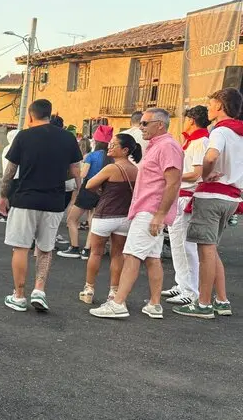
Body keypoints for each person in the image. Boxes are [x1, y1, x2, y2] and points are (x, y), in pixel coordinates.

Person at [90, 108, 182, 319]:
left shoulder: (167, 146)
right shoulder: (158, 146)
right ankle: (154, 304)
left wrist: (159, 214)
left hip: (150, 210)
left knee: (131, 255)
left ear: (160, 124)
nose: (140, 127)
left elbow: (173, 181)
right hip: (149, 210)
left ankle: (118, 303)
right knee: (151, 257)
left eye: (145, 123)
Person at [0, 99, 83, 313]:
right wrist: (78, 192)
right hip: (54, 202)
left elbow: (10, 170)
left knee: (21, 247)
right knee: (45, 249)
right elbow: (75, 170)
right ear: (50, 114)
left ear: (30, 116)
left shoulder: (24, 136)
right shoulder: (68, 137)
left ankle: (18, 295)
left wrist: (3, 195)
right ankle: (39, 291)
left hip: (25, 199)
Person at [174, 88, 243, 319]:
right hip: (232, 197)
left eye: (212, 104)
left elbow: (211, 156)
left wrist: (205, 173)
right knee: (212, 250)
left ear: (221, 107)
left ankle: (203, 304)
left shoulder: (219, 132)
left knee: (205, 252)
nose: (209, 109)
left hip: (212, 195)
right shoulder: (240, 133)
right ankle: (222, 300)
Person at [77, 134, 141, 304]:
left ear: (125, 150)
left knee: (96, 252)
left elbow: (89, 184)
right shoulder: (136, 170)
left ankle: (89, 289)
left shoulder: (112, 168)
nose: (110, 147)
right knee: (117, 255)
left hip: (105, 214)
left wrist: (101, 189)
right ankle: (114, 291)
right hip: (124, 216)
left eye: (114, 145)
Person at [162, 105, 209, 306]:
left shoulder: (200, 142)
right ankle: (182, 283)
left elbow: (197, 172)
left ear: (191, 120)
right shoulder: (192, 141)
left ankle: (190, 289)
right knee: (176, 242)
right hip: (180, 194)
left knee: (185, 244)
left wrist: (176, 176)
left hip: (187, 195)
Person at [58, 127, 111, 260]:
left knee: (71, 219)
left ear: (96, 141)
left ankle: (74, 247)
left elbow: (83, 174)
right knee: (92, 220)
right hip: (102, 190)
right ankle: (87, 250)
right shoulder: (111, 158)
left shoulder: (91, 156)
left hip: (88, 188)